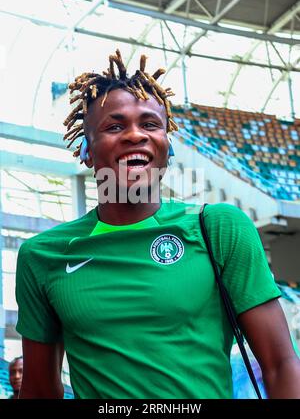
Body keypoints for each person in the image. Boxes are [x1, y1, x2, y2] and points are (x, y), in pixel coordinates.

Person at [15, 50, 300, 399]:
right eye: (115, 125)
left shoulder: (219, 228)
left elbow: (281, 364)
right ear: (86, 149)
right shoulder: (42, 256)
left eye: (150, 124)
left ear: (167, 145)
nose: (136, 135)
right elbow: (40, 390)